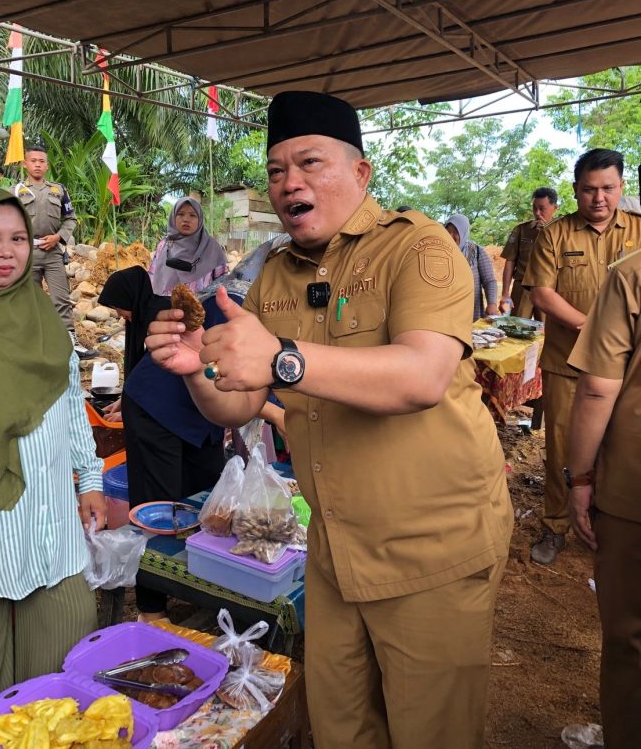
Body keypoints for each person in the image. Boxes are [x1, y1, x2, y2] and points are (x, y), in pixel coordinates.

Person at [146, 90, 513, 749]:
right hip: (334, 553)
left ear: (361, 172)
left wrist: (282, 358)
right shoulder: (275, 278)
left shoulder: (420, 249)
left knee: (430, 733)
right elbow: (236, 404)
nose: (291, 184)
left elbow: (423, 376)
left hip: (431, 550)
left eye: (310, 163)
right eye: (278, 170)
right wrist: (196, 371)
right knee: (342, 730)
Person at [0, 187, 105, 698]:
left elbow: (71, 404)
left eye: (17, 238)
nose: (6, 251)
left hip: (51, 533)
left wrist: (91, 479)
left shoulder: (46, 326)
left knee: (59, 693)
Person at [98, 252, 285, 621]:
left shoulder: (285, 312)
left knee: (208, 504)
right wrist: (279, 414)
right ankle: (151, 608)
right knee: (160, 507)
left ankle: (198, 584)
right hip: (158, 408)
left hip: (203, 417)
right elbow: (226, 375)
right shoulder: (230, 303)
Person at [522, 148, 641, 566]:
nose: (599, 198)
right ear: (575, 190)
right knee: (562, 451)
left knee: (622, 448)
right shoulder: (556, 234)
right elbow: (541, 293)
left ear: (621, 187)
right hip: (568, 365)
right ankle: (555, 526)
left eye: (608, 188)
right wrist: (598, 332)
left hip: (629, 372)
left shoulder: (639, 230)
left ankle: (609, 524)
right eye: (589, 190)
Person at [565, 248, 641, 749]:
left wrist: (580, 479)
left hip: (633, 486)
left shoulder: (632, 273)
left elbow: (597, 390)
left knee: (631, 636)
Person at [12, 145, 97, 359]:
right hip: (27, 253)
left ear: (47, 165)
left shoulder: (58, 190)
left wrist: (58, 237)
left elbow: (70, 218)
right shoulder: (16, 191)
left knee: (61, 297)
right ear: (25, 164)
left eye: (42, 161)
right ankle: (30, 345)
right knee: (30, 300)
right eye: (33, 161)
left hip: (52, 253)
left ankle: (69, 342)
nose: (38, 164)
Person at [148, 197, 227, 297]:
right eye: (180, 214)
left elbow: (222, 283)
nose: (186, 219)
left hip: (201, 308)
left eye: (192, 215)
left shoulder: (212, 247)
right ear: (173, 217)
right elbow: (152, 277)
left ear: (200, 219)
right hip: (165, 307)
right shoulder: (164, 245)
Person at [499, 187, 558, 318]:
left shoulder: (561, 232)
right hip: (522, 288)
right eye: (534, 208)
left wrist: (546, 233)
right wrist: (505, 293)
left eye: (542, 209)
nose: (537, 213)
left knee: (546, 331)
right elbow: (510, 261)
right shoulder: (521, 230)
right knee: (516, 327)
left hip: (549, 289)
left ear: (554, 208)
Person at [445, 213, 499, 320]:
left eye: (456, 232)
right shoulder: (439, 252)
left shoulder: (477, 252)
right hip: (447, 310)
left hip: (471, 310)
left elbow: (489, 281)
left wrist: (492, 303)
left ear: (463, 232)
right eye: (448, 231)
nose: (451, 235)